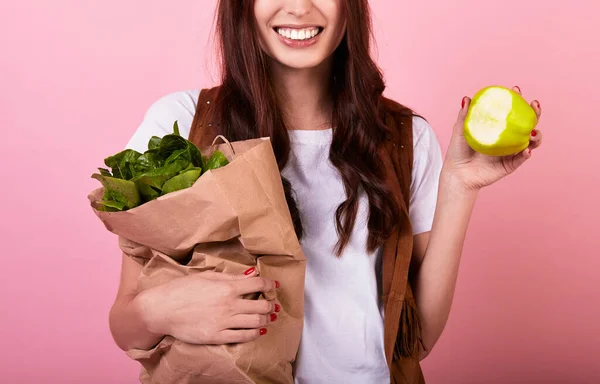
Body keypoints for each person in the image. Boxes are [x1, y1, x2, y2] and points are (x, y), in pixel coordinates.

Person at [108, 1, 543, 383]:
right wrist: (163, 309)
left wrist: (459, 184)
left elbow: (418, 339)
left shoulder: (406, 138)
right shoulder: (181, 124)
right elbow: (126, 325)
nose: (299, 8)